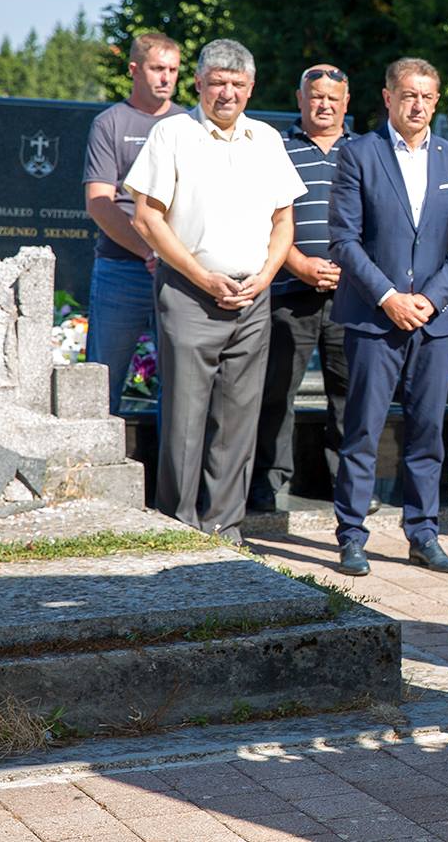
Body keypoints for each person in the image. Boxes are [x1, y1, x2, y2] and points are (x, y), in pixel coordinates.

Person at [125, 39, 307, 545]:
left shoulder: (266, 139)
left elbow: (283, 221)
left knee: (238, 420)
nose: (227, 93)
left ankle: (226, 529)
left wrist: (265, 276)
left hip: (252, 298)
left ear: (251, 88)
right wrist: (204, 278)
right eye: (218, 82)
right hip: (190, 293)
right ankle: (178, 527)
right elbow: (147, 218)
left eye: (237, 84)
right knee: (184, 419)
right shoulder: (172, 134)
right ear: (199, 83)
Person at [328, 58, 448, 578]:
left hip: (434, 322)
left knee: (428, 433)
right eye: (409, 95)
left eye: (427, 96)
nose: (418, 105)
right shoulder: (359, 154)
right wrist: (389, 296)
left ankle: (423, 533)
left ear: (436, 101)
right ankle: (351, 536)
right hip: (374, 318)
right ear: (388, 97)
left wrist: (430, 300)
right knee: (362, 431)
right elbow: (344, 240)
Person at [247, 65, 352, 513]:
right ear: (300, 98)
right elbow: (262, 217)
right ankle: (269, 482)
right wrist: (300, 264)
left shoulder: (364, 151)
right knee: (277, 393)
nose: (324, 104)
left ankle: (348, 486)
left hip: (350, 295)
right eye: (316, 96)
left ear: (346, 102)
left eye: (333, 97)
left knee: (349, 395)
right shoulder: (278, 148)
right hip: (290, 291)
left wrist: (351, 268)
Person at [83, 32, 186, 415]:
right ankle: (94, 454)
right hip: (121, 269)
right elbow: (100, 203)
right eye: (157, 68)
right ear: (134, 70)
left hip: (179, 271)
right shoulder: (110, 123)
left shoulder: (188, 124)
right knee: (101, 384)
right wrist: (148, 251)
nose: (166, 78)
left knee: (179, 388)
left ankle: (166, 458)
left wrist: (171, 255)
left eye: (173, 70)